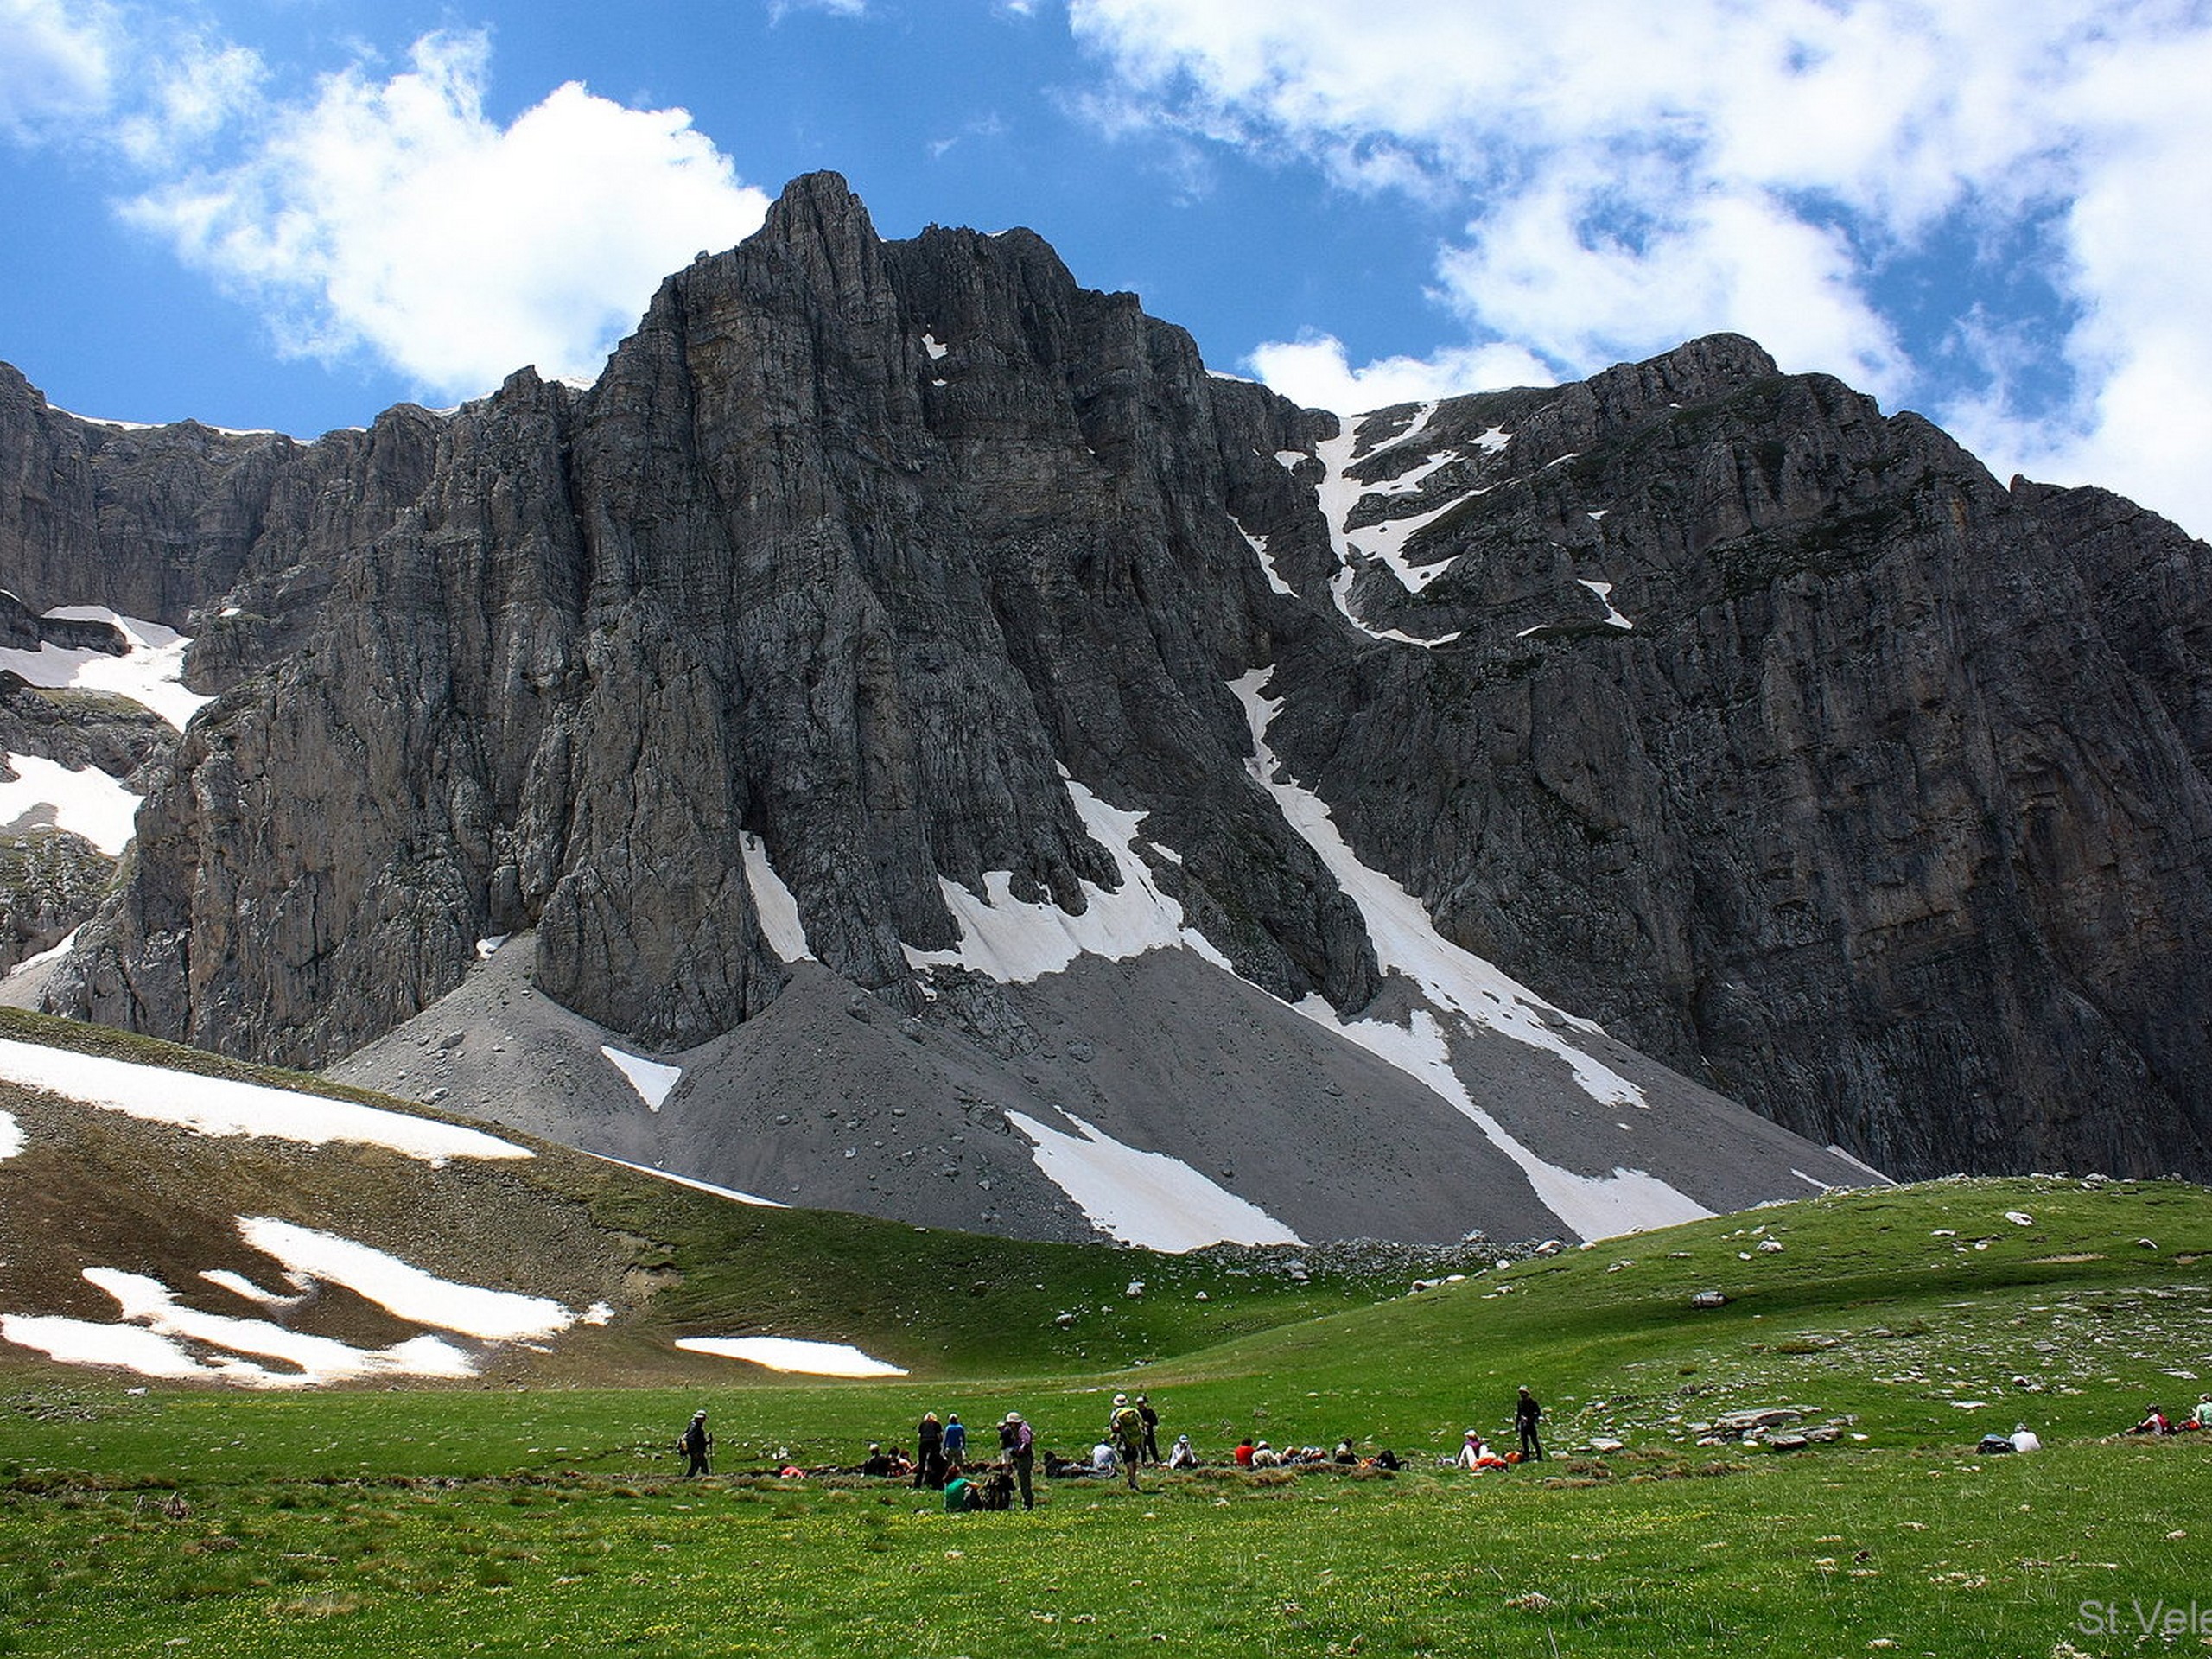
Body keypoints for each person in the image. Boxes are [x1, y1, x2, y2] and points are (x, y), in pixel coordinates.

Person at [1108, 1393, 1145, 1490]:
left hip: (1124, 1439)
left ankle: (1132, 1480)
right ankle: (1134, 1479)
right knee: (1134, 1459)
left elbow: (1115, 1428)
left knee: (1127, 1460)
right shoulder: (1132, 1411)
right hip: (1134, 1439)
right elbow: (1141, 1423)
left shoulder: (1115, 1413)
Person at [1001, 1411, 1036, 1510]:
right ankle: (1026, 1502)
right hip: (1022, 1457)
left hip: (1024, 1458)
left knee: (1024, 1481)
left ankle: (1028, 1504)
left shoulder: (1022, 1430)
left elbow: (1025, 1442)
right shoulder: (1020, 1429)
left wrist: (1018, 1452)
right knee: (1023, 1480)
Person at [677, 1409, 712, 1477]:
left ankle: (706, 1476)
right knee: (695, 1465)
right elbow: (690, 1439)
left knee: (702, 1463)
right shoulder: (695, 1427)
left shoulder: (694, 1425)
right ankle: (689, 1478)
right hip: (696, 1451)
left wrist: (706, 1442)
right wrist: (695, 1451)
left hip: (698, 1450)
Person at [916, 1411, 945, 1489]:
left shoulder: (922, 1424)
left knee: (921, 1465)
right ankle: (935, 1483)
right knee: (934, 1464)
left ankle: (917, 1483)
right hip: (933, 1443)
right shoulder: (937, 1424)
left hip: (923, 1443)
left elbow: (919, 1436)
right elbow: (939, 1436)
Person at [1515, 1387, 1546, 1461]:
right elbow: (1519, 1414)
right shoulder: (1520, 1402)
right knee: (1524, 1441)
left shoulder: (1533, 1403)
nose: (1522, 1395)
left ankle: (1539, 1456)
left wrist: (1532, 1418)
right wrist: (1517, 1425)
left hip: (1531, 1424)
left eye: (1523, 1393)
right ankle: (1526, 1456)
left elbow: (1538, 1413)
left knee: (1534, 1440)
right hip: (1523, 1424)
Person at [1137, 1395, 1161, 1465]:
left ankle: (1156, 1460)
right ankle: (1144, 1461)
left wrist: (1149, 1424)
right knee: (1142, 1448)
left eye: (1141, 1403)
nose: (1141, 1404)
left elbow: (1155, 1422)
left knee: (1152, 1446)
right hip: (1141, 1433)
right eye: (1139, 1403)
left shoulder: (1150, 1412)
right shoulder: (1136, 1412)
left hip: (1149, 1432)